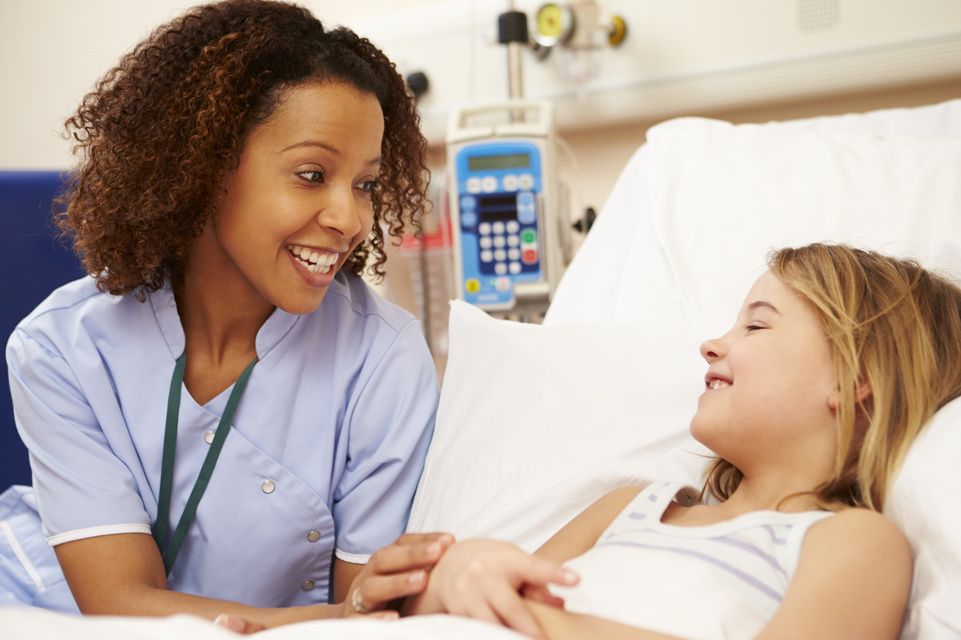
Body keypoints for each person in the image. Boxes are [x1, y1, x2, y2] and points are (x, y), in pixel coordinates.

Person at [0, 0, 452, 628]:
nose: (349, 219)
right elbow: (119, 607)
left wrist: (333, 618)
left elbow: (368, 621)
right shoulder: (61, 348)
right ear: (205, 167)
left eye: (365, 184)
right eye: (312, 173)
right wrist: (327, 619)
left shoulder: (383, 359)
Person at [406, 243, 961, 640]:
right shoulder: (630, 507)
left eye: (757, 326)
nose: (712, 343)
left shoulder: (853, 541)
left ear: (852, 376)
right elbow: (479, 602)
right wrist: (458, 575)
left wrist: (544, 624)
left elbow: (519, 615)